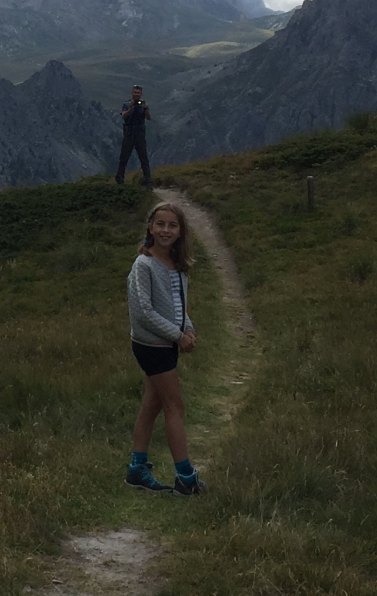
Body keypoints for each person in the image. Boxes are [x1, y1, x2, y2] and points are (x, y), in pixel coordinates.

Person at [125, 201, 205, 495]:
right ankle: (185, 478)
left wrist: (189, 328)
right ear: (150, 227)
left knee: (153, 404)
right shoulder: (143, 265)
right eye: (160, 224)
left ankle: (137, 469)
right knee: (175, 407)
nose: (166, 230)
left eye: (172, 225)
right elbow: (143, 312)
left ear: (181, 230)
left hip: (166, 342)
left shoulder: (177, 264)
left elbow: (177, 305)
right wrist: (177, 335)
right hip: (152, 345)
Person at [115, 86, 153, 186]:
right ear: (132, 93)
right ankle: (119, 179)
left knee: (143, 157)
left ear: (141, 94)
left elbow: (149, 118)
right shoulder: (126, 104)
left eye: (138, 93)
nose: (136, 94)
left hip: (139, 133)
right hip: (129, 132)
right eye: (135, 92)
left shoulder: (143, 104)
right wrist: (131, 108)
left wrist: (145, 108)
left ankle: (147, 180)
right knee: (124, 157)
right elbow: (123, 116)